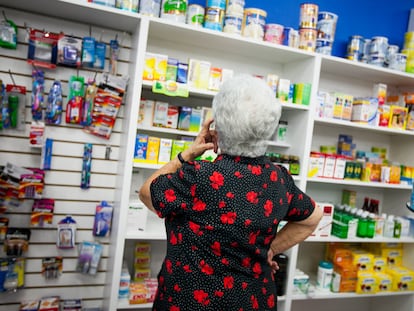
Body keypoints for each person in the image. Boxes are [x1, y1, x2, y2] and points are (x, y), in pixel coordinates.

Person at [138, 74, 322, 311]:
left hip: (190, 302)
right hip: (254, 302)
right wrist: (272, 250)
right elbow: (313, 217)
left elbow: (146, 193)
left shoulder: (198, 176)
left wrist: (187, 155)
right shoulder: (279, 178)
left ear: (218, 125)